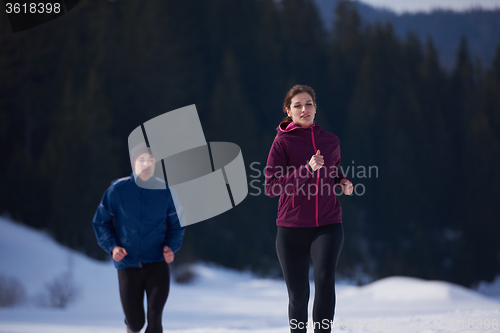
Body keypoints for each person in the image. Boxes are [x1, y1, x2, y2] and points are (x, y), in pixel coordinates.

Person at [265, 85, 353, 333]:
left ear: (316, 108)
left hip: (328, 224)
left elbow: (334, 171)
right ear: (288, 111)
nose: (304, 109)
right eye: (298, 105)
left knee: (325, 281)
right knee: (298, 293)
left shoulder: (331, 141)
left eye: (309, 104)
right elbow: (272, 186)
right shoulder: (282, 143)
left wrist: (342, 181)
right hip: (291, 228)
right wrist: (307, 170)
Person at [92, 143, 186, 333]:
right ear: (133, 163)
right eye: (141, 160)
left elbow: (177, 225)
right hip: (128, 264)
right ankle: (130, 326)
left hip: (157, 263)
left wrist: (171, 247)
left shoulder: (166, 192)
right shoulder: (117, 191)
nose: (146, 164)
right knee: (136, 323)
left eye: (150, 160)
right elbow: (100, 223)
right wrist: (113, 247)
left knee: (154, 318)